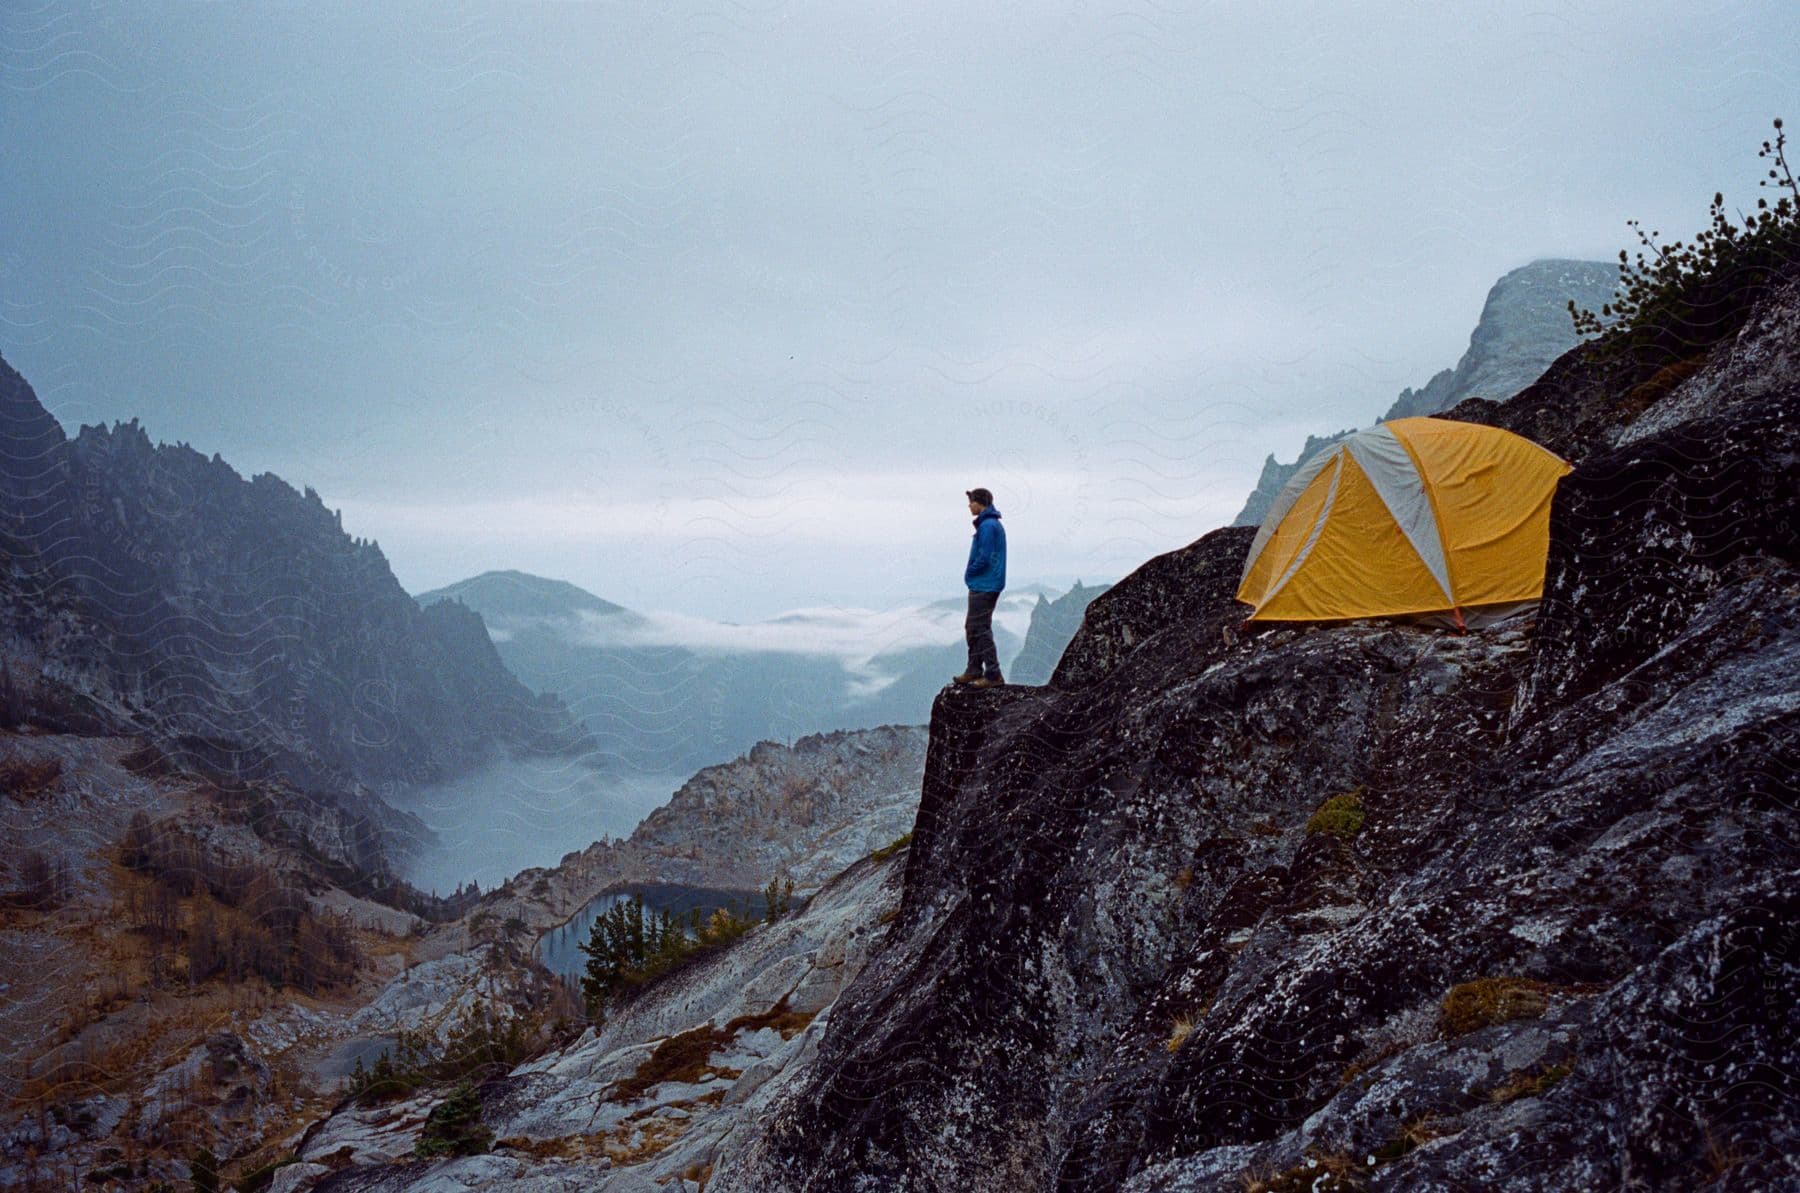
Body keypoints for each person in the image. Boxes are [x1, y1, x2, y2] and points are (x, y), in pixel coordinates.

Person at [953, 487, 1007, 688]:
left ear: (980, 503)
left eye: (971, 501)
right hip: (986, 583)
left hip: (985, 583)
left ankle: (993, 674)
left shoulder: (988, 526)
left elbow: (984, 556)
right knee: (973, 627)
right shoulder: (990, 524)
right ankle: (974, 669)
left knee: (980, 628)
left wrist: (970, 572)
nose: (969, 505)